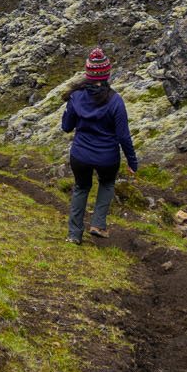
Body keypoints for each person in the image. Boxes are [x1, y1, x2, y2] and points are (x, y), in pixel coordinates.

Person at [60, 48, 137, 243]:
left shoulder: (76, 96)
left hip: (80, 154)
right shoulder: (116, 101)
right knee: (107, 183)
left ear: (88, 73)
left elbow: (66, 127)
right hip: (107, 157)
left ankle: (74, 234)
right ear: (107, 74)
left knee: (81, 187)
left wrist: (69, 111)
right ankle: (98, 224)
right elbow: (123, 136)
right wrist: (132, 161)